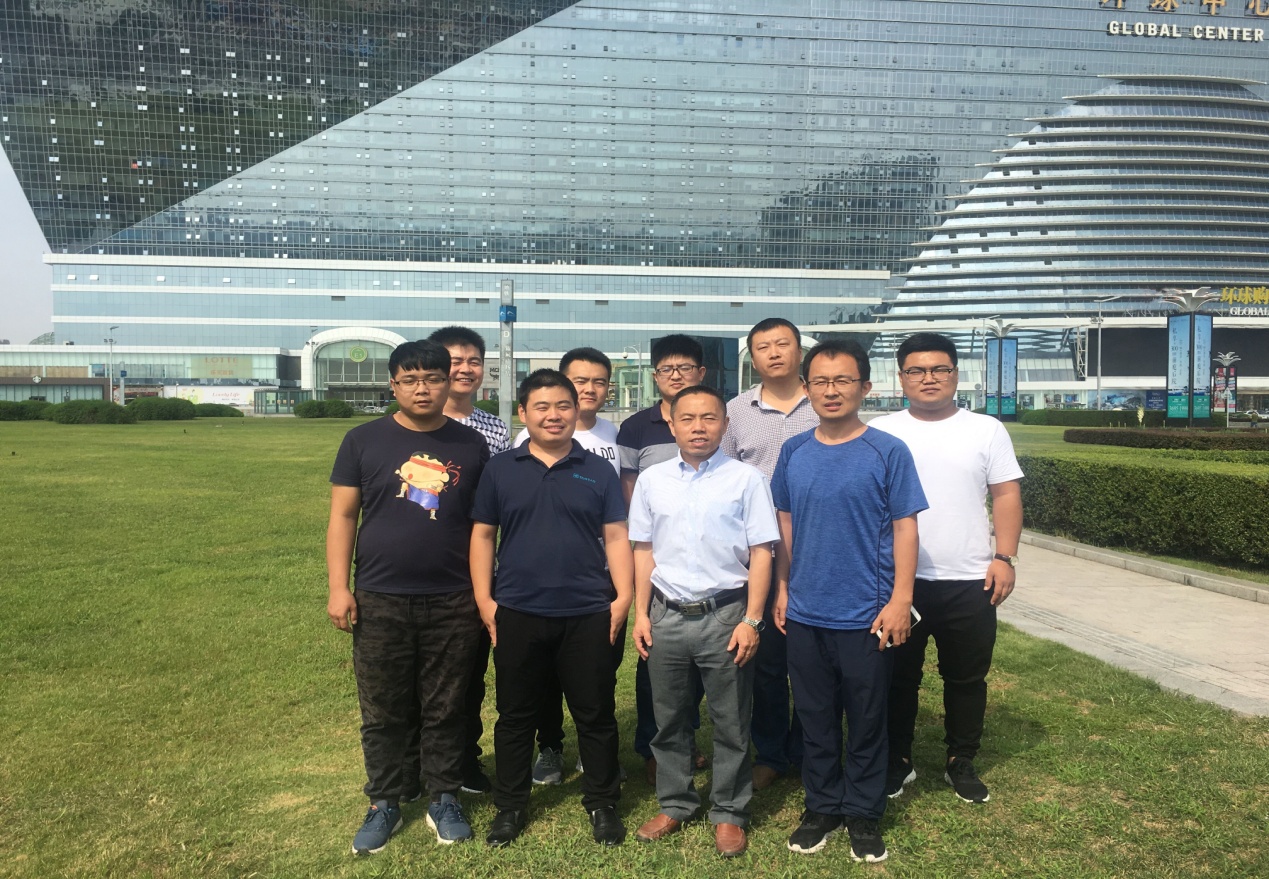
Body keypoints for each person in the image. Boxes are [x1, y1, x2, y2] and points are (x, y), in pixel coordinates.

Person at [326, 340, 490, 854]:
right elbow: (343, 517)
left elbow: (483, 528)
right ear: (393, 385)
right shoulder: (362, 440)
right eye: (411, 379)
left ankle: (444, 795)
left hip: (453, 599)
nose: (423, 389)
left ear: (448, 382)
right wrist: (339, 587)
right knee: (383, 708)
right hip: (381, 597)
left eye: (433, 378)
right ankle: (385, 800)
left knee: (447, 706)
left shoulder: (471, 445)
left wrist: (482, 594)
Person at [771, 339, 927, 864]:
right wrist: (783, 588)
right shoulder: (794, 451)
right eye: (820, 381)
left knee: (866, 718)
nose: (831, 390)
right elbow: (785, 523)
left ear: (865, 387)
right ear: (807, 388)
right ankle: (821, 806)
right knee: (814, 717)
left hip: (868, 613)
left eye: (843, 380)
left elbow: (906, 528)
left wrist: (901, 599)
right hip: (806, 612)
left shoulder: (887, 451)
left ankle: (863, 811)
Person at [470, 369, 635, 848]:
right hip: (518, 609)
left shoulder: (597, 469)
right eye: (541, 407)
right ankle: (510, 805)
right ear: (523, 413)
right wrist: (485, 600)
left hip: (587, 610)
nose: (553, 415)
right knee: (515, 714)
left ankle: (602, 802)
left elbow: (616, 535)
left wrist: (623, 596)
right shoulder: (501, 469)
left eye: (563, 406)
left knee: (595, 712)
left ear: (576, 410)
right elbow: (483, 535)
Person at [870, 332, 1024, 804]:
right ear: (901, 378)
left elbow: (1006, 494)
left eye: (940, 369)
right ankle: (898, 760)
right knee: (897, 677)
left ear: (956, 374)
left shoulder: (986, 429)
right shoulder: (881, 431)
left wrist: (1004, 557)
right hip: (899, 580)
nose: (929, 378)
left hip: (970, 577)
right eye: (916, 370)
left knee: (966, 678)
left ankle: (962, 758)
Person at [629, 385, 779, 857]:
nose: (699, 427)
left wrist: (752, 619)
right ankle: (675, 802)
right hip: (667, 615)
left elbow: (762, 551)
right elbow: (643, 549)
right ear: (671, 425)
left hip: (726, 615)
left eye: (709, 418)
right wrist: (641, 613)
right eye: (688, 419)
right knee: (669, 718)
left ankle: (730, 811)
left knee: (731, 720)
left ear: (725, 424)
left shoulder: (747, 479)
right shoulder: (652, 480)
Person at [511, 348, 622, 786]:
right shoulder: (525, 444)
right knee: (543, 679)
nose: (589, 388)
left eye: (598, 381)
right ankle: (551, 745)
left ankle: (595, 756)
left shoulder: (615, 435)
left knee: (596, 674)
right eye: (579, 380)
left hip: (598, 576)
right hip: (537, 582)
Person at [720, 317, 819, 791]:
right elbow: (721, 475)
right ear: (753, 357)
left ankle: (810, 749)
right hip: (756, 552)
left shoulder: (824, 399)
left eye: (783, 344)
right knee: (767, 663)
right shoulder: (735, 411)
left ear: (799, 351)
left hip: (818, 547)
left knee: (816, 660)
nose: (774, 353)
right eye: (763, 347)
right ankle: (772, 752)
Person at [417, 325, 510, 796]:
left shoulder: (495, 429)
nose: (465, 369)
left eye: (474, 360)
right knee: (415, 674)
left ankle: (464, 759)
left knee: (469, 672)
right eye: (454, 360)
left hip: (475, 565)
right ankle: (413, 762)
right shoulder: (416, 423)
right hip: (422, 562)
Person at [615, 334, 709, 783]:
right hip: (656, 555)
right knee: (655, 660)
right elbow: (631, 491)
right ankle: (653, 747)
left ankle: (686, 739)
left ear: (701, 373)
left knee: (704, 661)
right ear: (655, 377)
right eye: (667, 369)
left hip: (709, 558)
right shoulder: (636, 427)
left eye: (685, 368)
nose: (676, 376)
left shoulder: (714, 417)